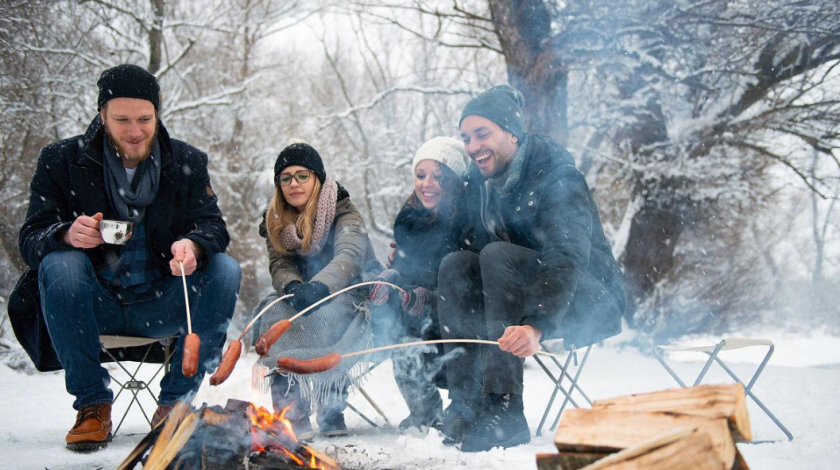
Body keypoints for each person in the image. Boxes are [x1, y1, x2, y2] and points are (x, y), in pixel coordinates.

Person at [7, 64, 241, 451]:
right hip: (93, 303)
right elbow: (31, 239)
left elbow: (213, 227)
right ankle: (92, 405)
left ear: (157, 113)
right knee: (59, 262)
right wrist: (65, 234)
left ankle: (175, 404)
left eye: (145, 119)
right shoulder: (60, 160)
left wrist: (195, 245)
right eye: (122, 120)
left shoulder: (186, 161)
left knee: (225, 268)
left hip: (162, 300)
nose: (135, 132)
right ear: (102, 116)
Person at [438, 85, 626, 452]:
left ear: (512, 132)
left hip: (582, 295)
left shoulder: (558, 175)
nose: (473, 146)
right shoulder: (479, 186)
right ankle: (465, 402)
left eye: (482, 134)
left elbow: (567, 252)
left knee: (496, 254)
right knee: (456, 263)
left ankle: (505, 408)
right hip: (519, 291)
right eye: (466, 138)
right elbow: (458, 249)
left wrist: (536, 323)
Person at [253, 141, 379, 438]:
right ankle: (290, 411)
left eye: (302, 175)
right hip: (299, 294)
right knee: (276, 313)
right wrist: (293, 285)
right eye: (285, 178)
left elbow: (348, 255)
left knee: (330, 314)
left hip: (346, 291)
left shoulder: (343, 211)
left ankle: (330, 407)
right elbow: (280, 264)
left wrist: (321, 286)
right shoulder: (274, 220)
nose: (293, 183)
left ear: (317, 178)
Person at [368, 136, 470, 431]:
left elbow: (464, 281)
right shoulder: (409, 218)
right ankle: (425, 411)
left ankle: (462, 410)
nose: (427, 184)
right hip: (413, 312)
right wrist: (391, 278)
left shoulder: (465, 221)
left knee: (417, 334)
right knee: (402, 342)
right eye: (421, 175)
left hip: (453, 314)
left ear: (453, 181)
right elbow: (403, 263)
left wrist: (430, 297)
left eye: (439, 177)